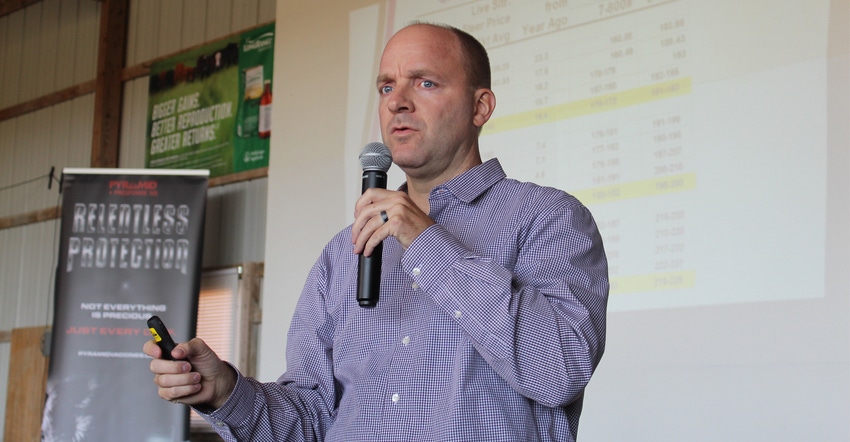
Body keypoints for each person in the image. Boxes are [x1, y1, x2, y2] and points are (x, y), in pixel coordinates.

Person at [144, 22, 608, 441]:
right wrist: (226, 392)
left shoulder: (548, 218)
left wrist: (426, 243)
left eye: (425, 82)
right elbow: (308, 421)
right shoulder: (341, 255)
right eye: (387, 86)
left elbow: (559, 369)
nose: (397, 101)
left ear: (480, 106)